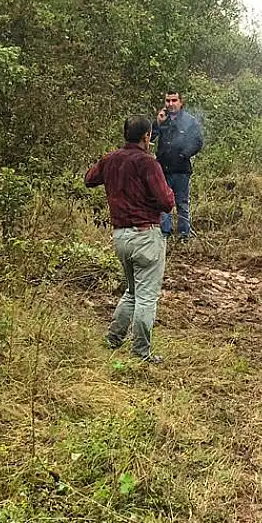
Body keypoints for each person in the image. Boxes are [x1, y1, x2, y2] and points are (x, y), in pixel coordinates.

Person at [85, 114, 177, 362]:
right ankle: (141, 352)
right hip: (146, 235)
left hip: (120, 236)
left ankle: (113, 339)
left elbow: (89, 179)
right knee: (146, 296)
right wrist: (170, 192)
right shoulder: (148, 163)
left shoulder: (111, 159)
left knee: (132, 292)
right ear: (147, 136)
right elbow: (166, 202)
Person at [152, 89, 204, 239]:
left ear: (181, 102)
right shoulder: (162, 119)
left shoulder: (189, 120)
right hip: (162, 169)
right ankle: (165, 233)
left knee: (182, 202)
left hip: (181, 170)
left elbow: (198, 142)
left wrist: (184, 154)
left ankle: (183, 235)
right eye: (168, 101)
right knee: (162, 202)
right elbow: (150, 137)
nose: (170, 104)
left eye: (174, 100)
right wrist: (157, 123)